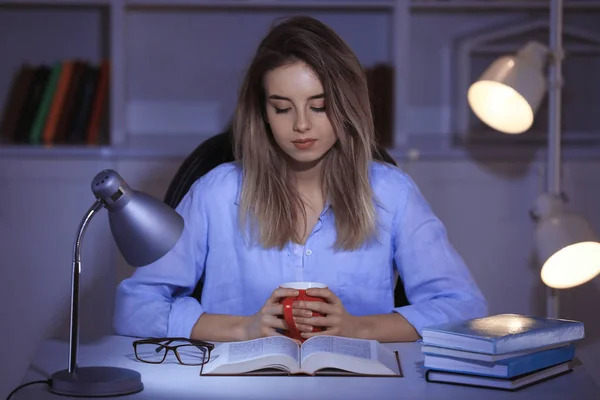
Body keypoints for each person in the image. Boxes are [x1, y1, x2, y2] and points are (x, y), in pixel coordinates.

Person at [113, 16, 487, 343]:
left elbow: (465, 307)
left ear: (346, 105)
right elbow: (134, 307)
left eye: (319, 106)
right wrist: (242, 328)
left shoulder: (392, 192)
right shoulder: (216, 192)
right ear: (262, 113)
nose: (302, 125)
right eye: (282, 108)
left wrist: (359, 328)